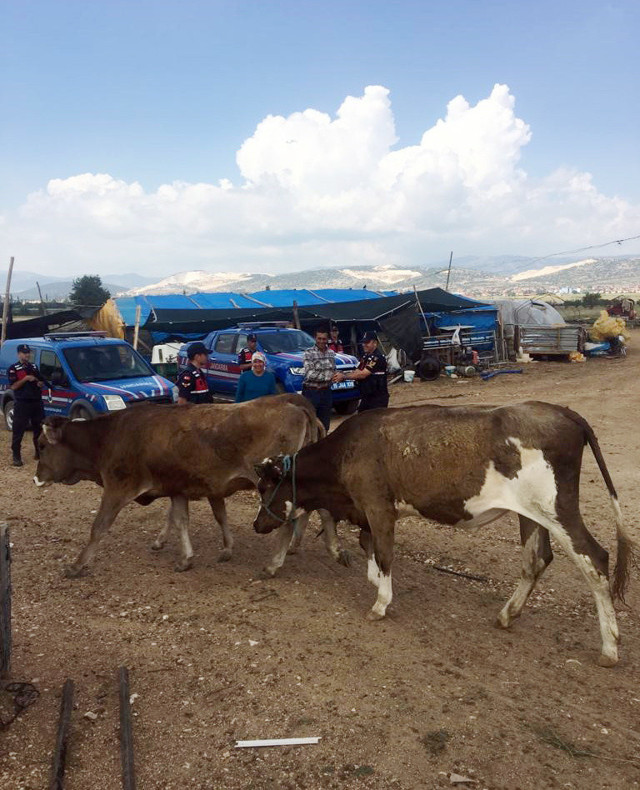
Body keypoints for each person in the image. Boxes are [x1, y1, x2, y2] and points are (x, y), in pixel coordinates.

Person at [8, 343, 48, 466]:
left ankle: (39, 452)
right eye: (24, 353)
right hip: (22, 403)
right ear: (19, 354)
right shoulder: (13, 368)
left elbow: (40, 382)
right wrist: (25, 379)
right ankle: (16, 455)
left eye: (28, 352)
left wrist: (39, 383)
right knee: (18, 430)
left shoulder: (34, 367)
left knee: (39, 429)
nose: (27, 355)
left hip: (36, 401)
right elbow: (14, 386)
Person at [333, 330, 389, 412]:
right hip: (367, 397)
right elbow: (357, 371)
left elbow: (363, 374)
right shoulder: (365, 356)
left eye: (367, 343)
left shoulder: (377, 357)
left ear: (375, 343)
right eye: (363, 342)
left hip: (377, 398)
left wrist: (344, 377)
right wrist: (340, 374)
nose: (364, 345)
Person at [302, 326, 336, 432]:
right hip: (312, 393)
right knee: (310, 423)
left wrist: (338, 375)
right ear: (315, 338)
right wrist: (329, 377)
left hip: (326, 392)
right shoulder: (308, 353)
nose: (321, 341)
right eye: (319, 338)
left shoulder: (331, 353)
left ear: (327, 339)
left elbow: (333, 369)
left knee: (325, 424)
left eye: (324, 339)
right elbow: (310, 374)